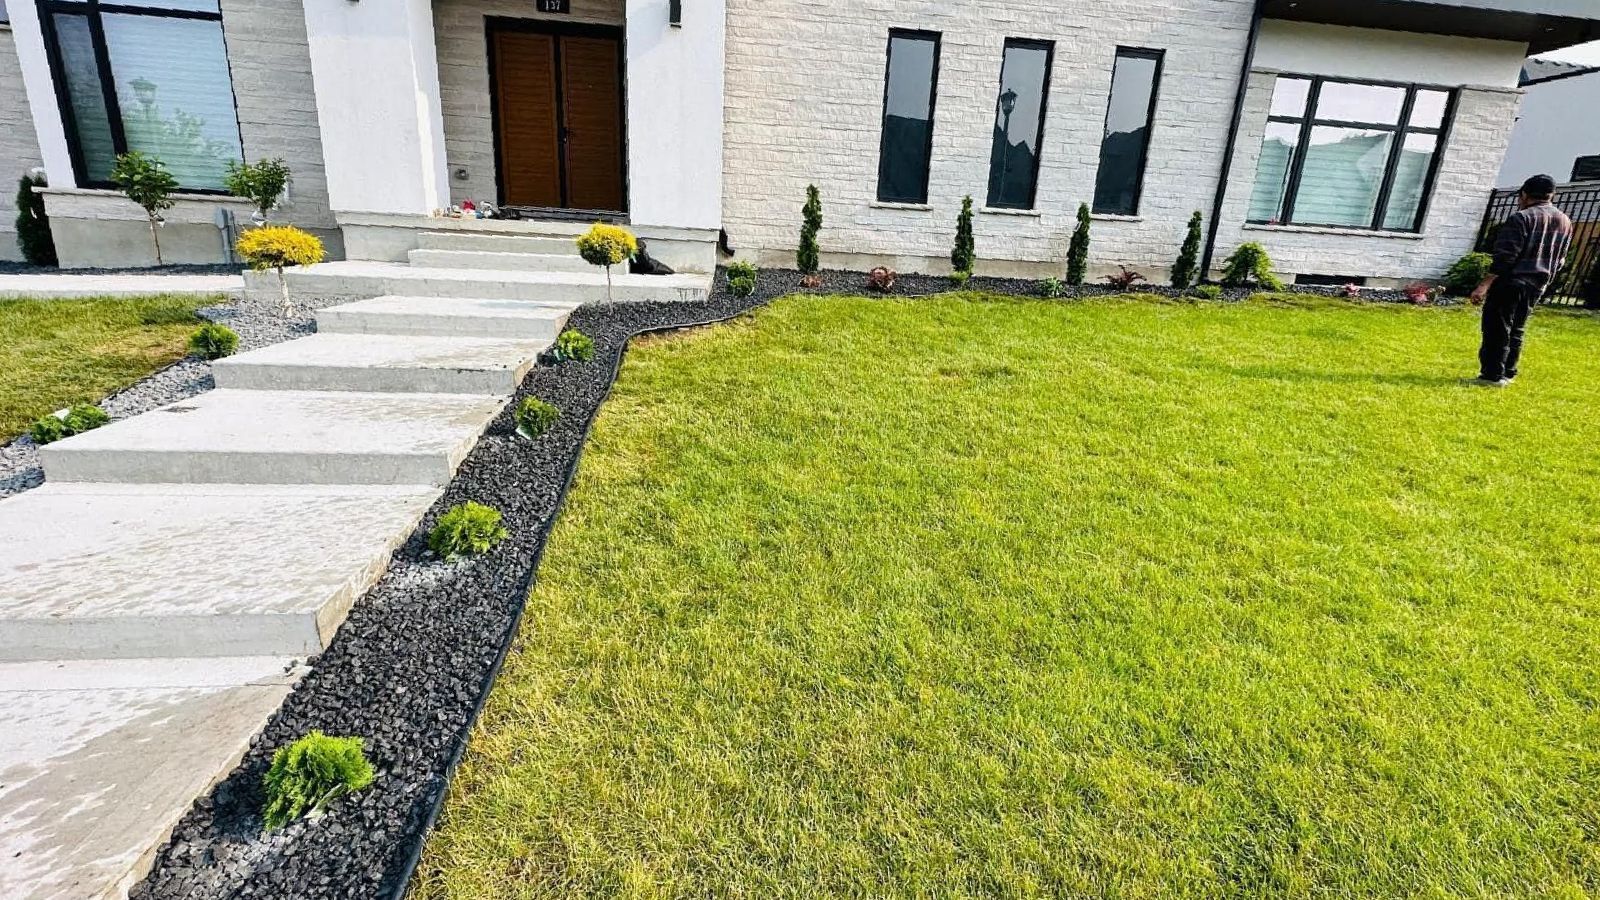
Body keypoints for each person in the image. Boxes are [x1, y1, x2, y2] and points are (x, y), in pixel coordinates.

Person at [1469, 174, 1573, 386]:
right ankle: (1508, 372)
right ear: (1551, 195)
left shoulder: (1522, 218)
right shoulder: (1564, 221)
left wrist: (1484, 284)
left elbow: (1505, 257)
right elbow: (1560, 258)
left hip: (1512, 281)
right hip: (1537, 283)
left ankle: (1492, 375)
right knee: (1517, 328)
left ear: (1524, 194)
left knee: (1497, 327)